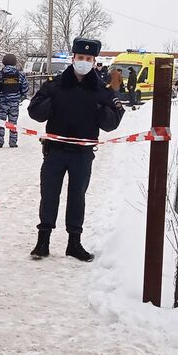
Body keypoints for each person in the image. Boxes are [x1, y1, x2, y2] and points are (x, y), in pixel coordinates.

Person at [27, 37, 125, 262]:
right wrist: (52, 104)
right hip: (55, 151)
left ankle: (74, 243)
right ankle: (43, 241)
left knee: (77, 196)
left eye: (88, 58)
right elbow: (35, 111)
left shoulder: (102, 89)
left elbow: (112, 122)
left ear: (94, 61)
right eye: (80, 57)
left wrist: (100, 109)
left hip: (82, 154)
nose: (84, 61)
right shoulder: (55, 84)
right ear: (73, 58)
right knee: (49, 194)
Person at [0, 54, 29, 148]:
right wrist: (19, 97)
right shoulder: (20, 74)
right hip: (14, 102)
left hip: (2, 102)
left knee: (0, 122)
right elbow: (25, 88)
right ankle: (13, 142)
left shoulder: (0, 74)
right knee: (13, 122)